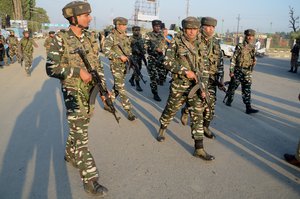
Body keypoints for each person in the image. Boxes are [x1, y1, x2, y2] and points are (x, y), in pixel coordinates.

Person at [45, 1, 108, 196]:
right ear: (73, 18)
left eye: (89, 15)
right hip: (72, 92)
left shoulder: (90, 38)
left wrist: (104, 91)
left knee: (81, 126)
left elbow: (97, 66)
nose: (89, 18)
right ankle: (91, 180)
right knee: (81, 136)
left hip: (89, 92)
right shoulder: (60, 39)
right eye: (85, 15)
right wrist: (76, 71)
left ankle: (69, 154)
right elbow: (51, 68)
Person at [157, 17, 214, 161]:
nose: (192, 32)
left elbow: (205, 67)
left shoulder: (201, 44)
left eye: (194, 29)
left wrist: (204, 87)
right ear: (183, 29)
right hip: (179, 85)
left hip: (195, 86)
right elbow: (166, 62)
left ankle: (199, 148)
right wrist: (184, 71)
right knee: (171, 110)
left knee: (198, 115)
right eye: (189, 29)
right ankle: (162, 128)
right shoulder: (176, 42)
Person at [181, 17, 224, 139]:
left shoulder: (215, 43)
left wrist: (220, 79)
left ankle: (206, 126)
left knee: (210, 105)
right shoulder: (195, 40)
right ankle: (186, 110)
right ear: (202, 27)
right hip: (197, 79)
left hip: (211, 80)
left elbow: (220, 62)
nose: (211, 29)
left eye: (213, 27)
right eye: (208, 27)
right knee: (196, 103)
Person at [103, 17, 136, 121]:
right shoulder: (111, 37)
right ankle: (129, 110)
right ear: (117, 25)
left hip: (124, 65)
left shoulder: (125, 36)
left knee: (117, 86)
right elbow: (105, 50)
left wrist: (130, 59)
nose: (125, 27)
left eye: (125, 25)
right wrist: (118, 56)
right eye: (123, 25)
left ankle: (109, 103)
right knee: (121, 87)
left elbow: (128, 49)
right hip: (116, 65)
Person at [223, 29, 259, 114]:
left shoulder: (253, 47)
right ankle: (229, 100)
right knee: (233, 87)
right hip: (238, 70)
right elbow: (234, 58)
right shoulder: (240, 46)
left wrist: (254, 63)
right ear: (245, 36)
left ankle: (248, 107)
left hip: (247, 72)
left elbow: (253, 59)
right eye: (248, 35)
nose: (250, 37)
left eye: (252, 36)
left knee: (247, 89)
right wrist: (231, 71)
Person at [144, 20, 166, 101]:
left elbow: (164, 45)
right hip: (152, 58)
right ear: (153, 27)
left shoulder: (161, 35)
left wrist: (163, 50)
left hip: (161, 58)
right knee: (153, 77)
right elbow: (145, 46)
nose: (158, 28)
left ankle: (158, 82)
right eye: (156, 26)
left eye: (159, 26)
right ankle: (155, 93)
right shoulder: (148, 35)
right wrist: (155, 48)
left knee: (162, 75)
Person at [128, 26, 146, 92]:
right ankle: (137, 85)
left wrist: (143, 51)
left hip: (140, 57)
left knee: (139, 69)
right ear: (132, 31)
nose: (137, 31)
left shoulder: (141, 39)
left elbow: (144, 47)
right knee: (137, 70)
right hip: (133, 57)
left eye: (138, 30)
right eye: (135, 30)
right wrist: (134, 50)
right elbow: (127, 49)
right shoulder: (130, 39)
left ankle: (131, 79)